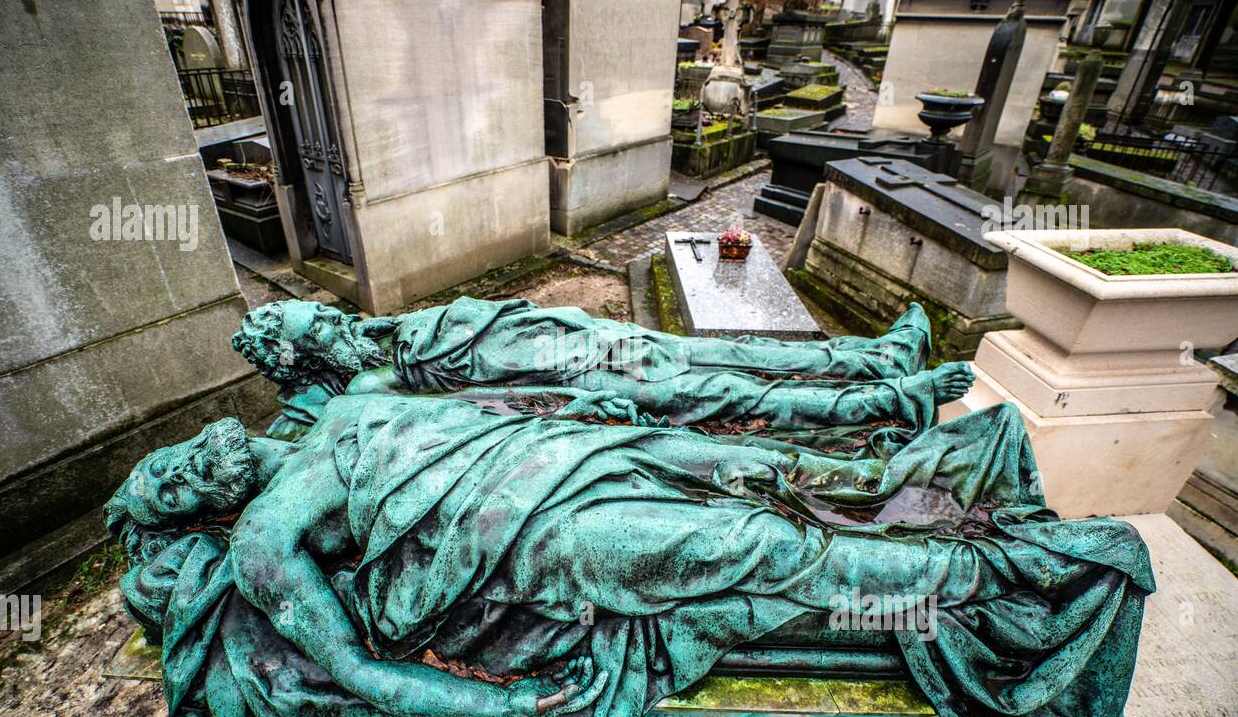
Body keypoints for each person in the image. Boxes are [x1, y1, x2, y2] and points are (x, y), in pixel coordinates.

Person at [108, 388, 1152, 717]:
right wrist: (504, 702)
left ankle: (956, 505)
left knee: (758, 480)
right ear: (186, 518)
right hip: (544, 543)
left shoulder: (318, 419)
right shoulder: (261, 541)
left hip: (567, 456)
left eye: (180, 449)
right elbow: (358, 672)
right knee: (760, 556)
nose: (196, 455)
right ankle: (1008, 578)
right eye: (173, 482)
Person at [230, 297, 974, 440]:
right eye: (321, 327)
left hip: (575, 339)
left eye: (324, 312)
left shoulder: (375, 336)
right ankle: (888, 402)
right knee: (719, 392)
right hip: (575, 382)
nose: (338, 321)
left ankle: (872, 356)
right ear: (306, 359)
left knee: (720, 350)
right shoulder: (356, 393)